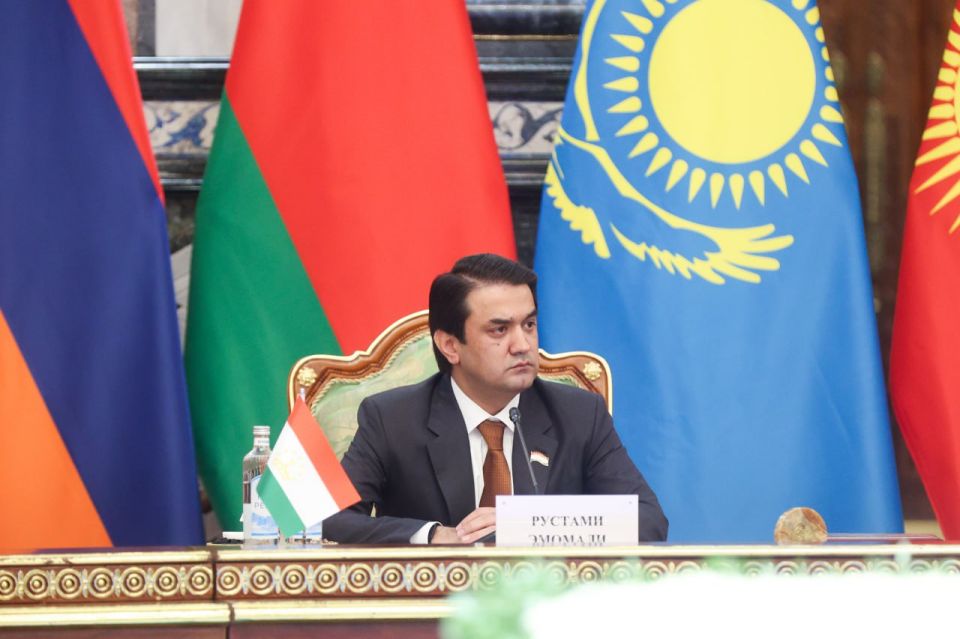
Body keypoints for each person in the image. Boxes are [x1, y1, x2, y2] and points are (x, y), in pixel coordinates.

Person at [323, 253, 667, 544]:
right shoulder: (392, 418)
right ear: (450, 346)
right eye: (499, 330)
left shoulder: (578, 414)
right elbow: (330, 519)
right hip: (435, 598)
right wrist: (433, 535)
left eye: (529, 325)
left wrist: (525, 523)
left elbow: (648, 520)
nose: (523, 345)